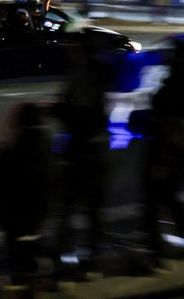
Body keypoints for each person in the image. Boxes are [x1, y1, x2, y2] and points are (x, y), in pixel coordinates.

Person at [53, 31, 110, 272]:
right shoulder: (93, 72)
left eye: (74, 46)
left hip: (81, 149)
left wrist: (60, 110)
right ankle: (89, 255)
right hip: (92, 149)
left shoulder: (84, 75)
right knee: (90, 209)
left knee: (70, 206)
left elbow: (83, 115)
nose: (69, 50)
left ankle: (69, 258)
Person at [142, 35, 184, 260]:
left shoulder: (175, 87)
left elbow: (168, 124)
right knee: (170, 197)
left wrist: (160, 160)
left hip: (165, 146)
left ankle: (154, 247)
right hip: (177, 145)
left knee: (154, 197)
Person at [0, 103, 53, 284]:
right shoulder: (46, 148)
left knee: (18, 249)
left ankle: (22, 276)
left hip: (17, 214)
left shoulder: (14, 152)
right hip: (39, 212)